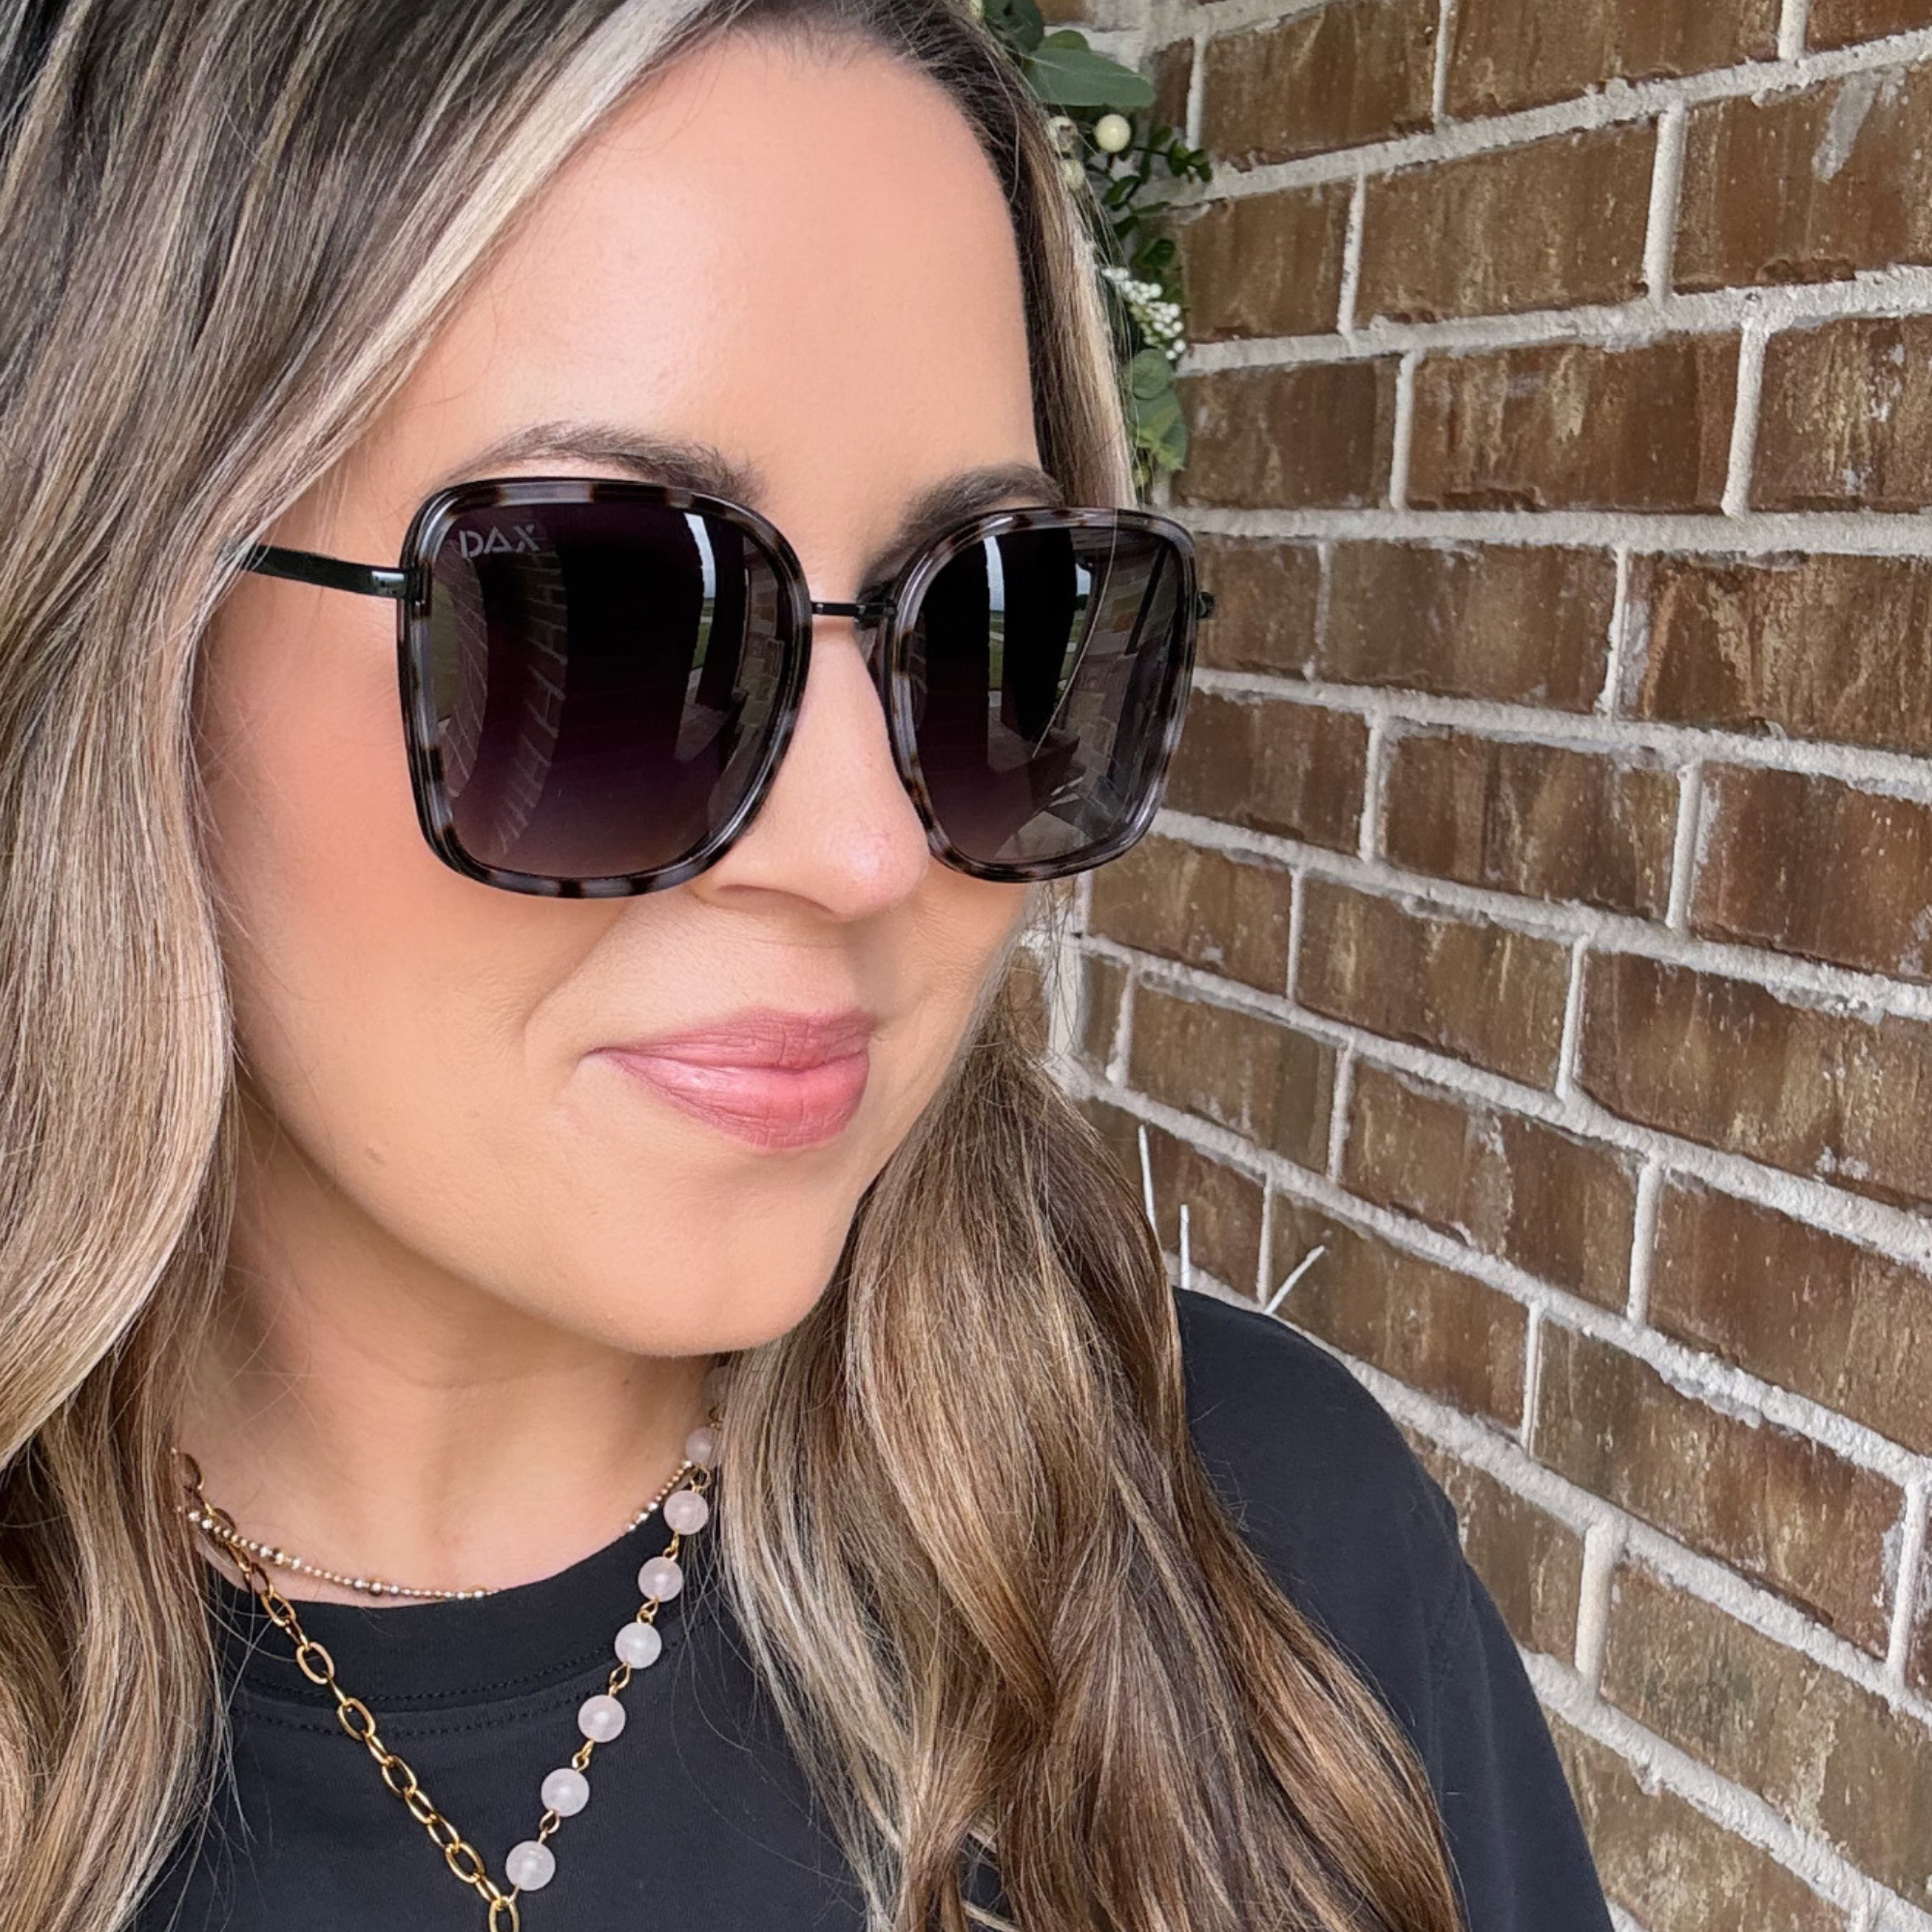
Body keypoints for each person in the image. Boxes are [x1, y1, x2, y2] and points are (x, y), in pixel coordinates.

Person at [0, 1, 1613, 1927]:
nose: (865, 846)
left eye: (995, 626)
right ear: (121, 630)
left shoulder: (1265, 1570)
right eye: (601, 620)